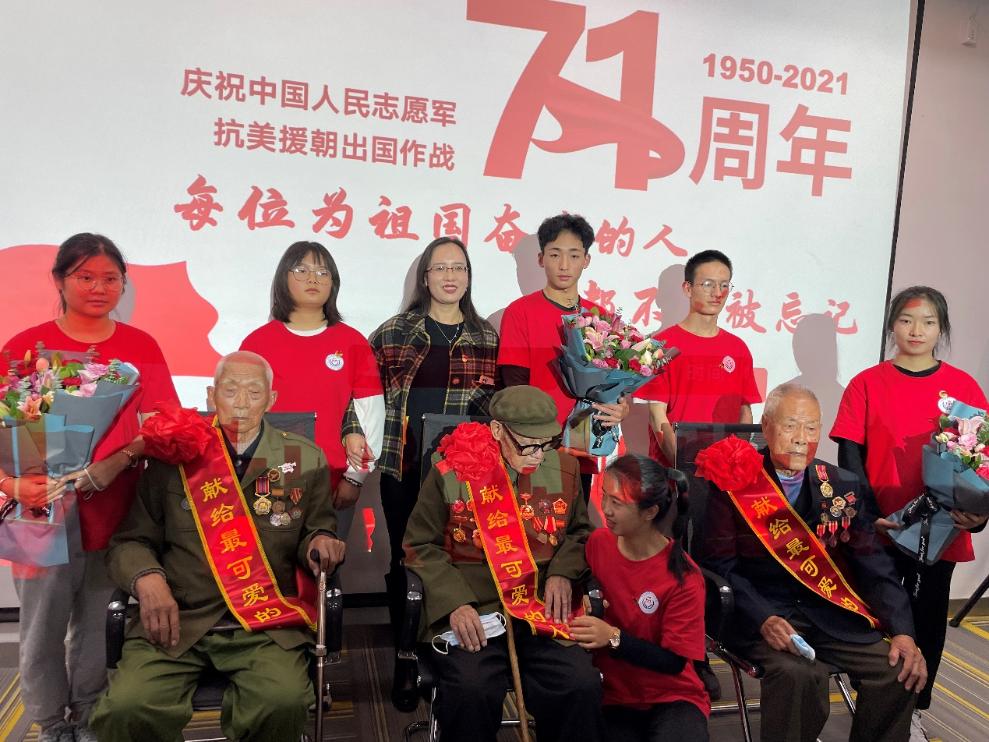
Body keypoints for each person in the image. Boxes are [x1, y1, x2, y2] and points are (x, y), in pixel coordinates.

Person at [89, 351, 346, 742]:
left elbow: (315, 529)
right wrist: (146, 579)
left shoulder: (301, 458)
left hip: (264, 623)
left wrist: (321, 542)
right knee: (128, 706)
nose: (241, 402)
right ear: (211, 396)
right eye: (230, 390)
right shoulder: (174, 457)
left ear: (272, 400)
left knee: (282, 701)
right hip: (178, 618)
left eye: (254, 392)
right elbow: (131, 541)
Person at [0, 233, 179, 742]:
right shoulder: (25, 347)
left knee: (101, 623)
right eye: (85, 277)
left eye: (110, 278)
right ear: (59, 281)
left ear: (124, 284)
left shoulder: (141, 346)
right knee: (40, 626)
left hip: (116, 505)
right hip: (38, 510)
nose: (99, 288)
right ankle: (51, 723)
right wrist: (13, 483)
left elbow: (165, 422)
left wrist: (127, 454)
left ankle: (89, 716)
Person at [700, 383, 926, 742]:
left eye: (811, 427)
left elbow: (874, 564)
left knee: (897, 669)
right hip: (760, 616)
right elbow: (719, 565)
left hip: (828, 611)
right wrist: (763, 617)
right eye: (790, 425)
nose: (801, 439)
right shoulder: (734, 482)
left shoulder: (839, 484)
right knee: (801, 675)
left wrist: (903, 632)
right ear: (766, 426)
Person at [403, 385, 605, 742]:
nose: (538, 456)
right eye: (527, 445)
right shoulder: (453, 472)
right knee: (471, 689)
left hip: (543, 609)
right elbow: (420, 545)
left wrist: (563, 572)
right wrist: (454, 602)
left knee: (579, 684)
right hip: (476, 610)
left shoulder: (565, 468)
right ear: (497, 430)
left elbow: (580, 533)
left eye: (546, 444)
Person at [831, 285, 988, 739]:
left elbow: (978, 461)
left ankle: (915, 708)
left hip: (941, 529)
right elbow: (850, 458)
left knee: (927, 619)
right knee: (876, 617)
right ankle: (876, 705)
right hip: (880, 526)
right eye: (906, 320)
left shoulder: (963, 387)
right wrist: (868, 518)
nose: (916, 330)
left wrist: (978, 514)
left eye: (928, 322)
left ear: (941, 329)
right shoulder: (866, 383)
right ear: (892, 326)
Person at [634, 248, 761, 699]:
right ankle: (685, 658)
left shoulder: (737, 348)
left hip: (727, 484)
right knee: (678, 570)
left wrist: (740, 465)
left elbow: (745, 414)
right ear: (687, 288)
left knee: (721, 566)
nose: (717, 292)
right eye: (708, 283)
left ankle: (714, 648)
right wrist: (685, 468)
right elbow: (657, 416)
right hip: (680, 483)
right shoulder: (662, 344)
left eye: (724, 284)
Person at [367, 236, 498, 634]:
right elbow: (365, 397)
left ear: (469, 277)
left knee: (458, 553)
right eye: (440, 267)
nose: (450, 275)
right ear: (425, 278)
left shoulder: (486, 337)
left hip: (462, 474)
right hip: (404, 468)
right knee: (405, 553)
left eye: (459, 267)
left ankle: (447, 635)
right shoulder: (393, 333)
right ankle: (405, 643)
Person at [240, 240, 384, 543]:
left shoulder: (353, 342)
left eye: (322, 272)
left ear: (333, 283)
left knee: (325, 562)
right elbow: (241, 414)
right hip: (268, 478)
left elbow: (371, 413)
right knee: (269, 562)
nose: (313, 278)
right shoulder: (257, 343)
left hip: (332, 479)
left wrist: (355, 477)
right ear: (283, 278)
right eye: (301, 270)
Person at [570, 455, 710, 741]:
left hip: (673, 696)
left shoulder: (684, 577)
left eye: (617, 503)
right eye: (604, 496)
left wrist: (612, 637)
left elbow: (673, 663)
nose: (605, 509)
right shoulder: (599, 544)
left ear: (650, 512)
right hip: (613, 697)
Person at [497, 213, 629, 498]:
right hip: (534, 446)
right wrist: (533, 437)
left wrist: (621, 408)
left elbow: (613, 386)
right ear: (541, 259)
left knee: (574, 522)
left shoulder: (600, 318)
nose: (564, 265)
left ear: (587, 260)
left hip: (582, 445)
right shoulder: (520, 312)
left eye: (574, 255)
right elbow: (514, 385)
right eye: (555, 254)